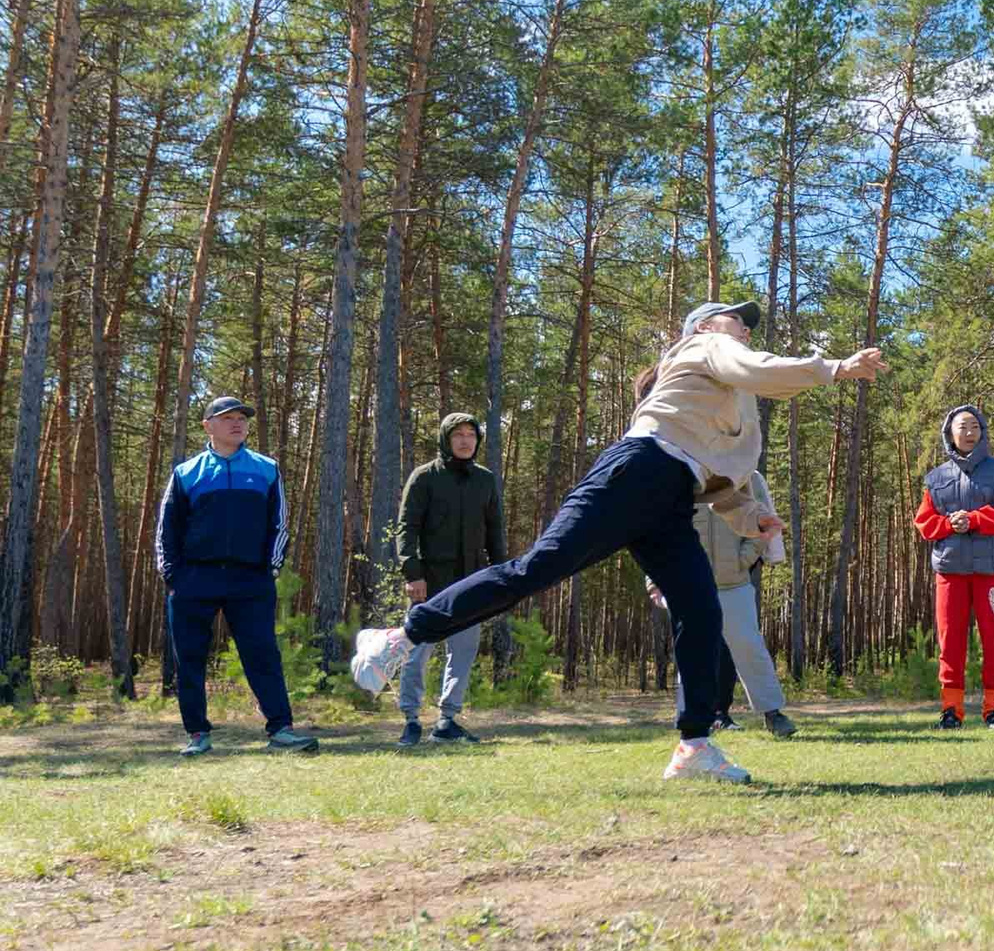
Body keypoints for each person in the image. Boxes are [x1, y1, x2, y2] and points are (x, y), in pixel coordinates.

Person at [348, 301, 881, 782]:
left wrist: (753, 519)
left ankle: (694, 745)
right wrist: (834, 368)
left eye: (746, 322)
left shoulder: (736, 405)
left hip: (672, 498)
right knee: (536, 570)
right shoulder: (704, 346)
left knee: (700, 611)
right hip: (636, 472)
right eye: (735, 318)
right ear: (703, 327)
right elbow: (756, 370)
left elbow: (721, 485)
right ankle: (399, 638)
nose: (743, 326)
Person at [156, 396, 317, 755]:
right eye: (227, 417)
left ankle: (281, 730)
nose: (237, 423)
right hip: (194, 579)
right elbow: (166, 529)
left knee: (262, 655)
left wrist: (272, 567)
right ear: (208, 426)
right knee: (190, 659)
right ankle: (197, 734)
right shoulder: (186, 473)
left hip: (250, 580)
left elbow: (280, 524)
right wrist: (172, 576)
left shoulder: (266, 469)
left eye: (242, 418)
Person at [912, 404, 994, 729]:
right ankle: (950, 711)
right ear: (950, 433)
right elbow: (924, 522)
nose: (969, 433)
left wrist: (973, 520)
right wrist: (948, 524)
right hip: (950, 572)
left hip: (992, 572)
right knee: (950, 641)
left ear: (982, 433)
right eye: (962, 427)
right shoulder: (937, 477)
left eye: (975, 427)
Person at [394, 412, 503, 746]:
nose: (465, 440)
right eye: (458, 434)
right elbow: (406, 527)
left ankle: (447, 721)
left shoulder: (484, 480)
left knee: (463, 652)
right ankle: (411, 720)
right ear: (446, 438)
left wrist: (501, 576)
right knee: (417, 652)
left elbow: (494, 532)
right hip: (429, 583)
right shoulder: (425, 477)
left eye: (471, 434)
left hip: (471, 582)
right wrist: (413, 573)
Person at [669, 468, 797, 738]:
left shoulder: (745, 474)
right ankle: (691, 722)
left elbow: (762, 520)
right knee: (690, 651)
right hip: (690, 582)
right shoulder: (679, 470)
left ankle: (773, 714)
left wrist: (745, 559)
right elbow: (659, 527)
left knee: (750, 647)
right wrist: (655, 581)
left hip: (734, 582)